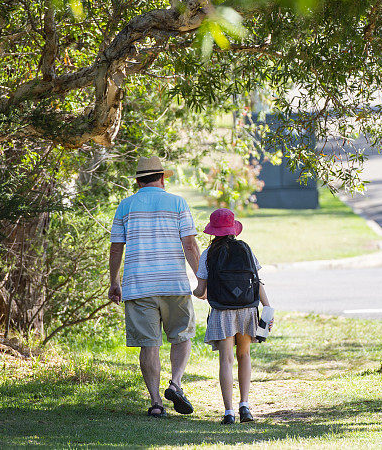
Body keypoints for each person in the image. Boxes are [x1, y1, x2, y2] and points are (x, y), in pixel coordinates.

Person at [108, 156, 201, 418]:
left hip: (138, 286)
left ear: (138, 181)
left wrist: (114, 281)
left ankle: (156, 403)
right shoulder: (177, 203)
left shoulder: (125, 207)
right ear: (162, 177)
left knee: (149, 345)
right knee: (182, 336)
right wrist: (200, 280)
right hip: (174, 283)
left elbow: (116, 247)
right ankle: (176, 383)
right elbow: (190, 245)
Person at [192, 208, 273, 425]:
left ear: (213, 232)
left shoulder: (209, 254)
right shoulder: (245, 249)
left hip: (222, 312)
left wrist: (195, 293)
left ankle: (228, 412)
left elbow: (201, 290)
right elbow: (257, 282)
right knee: (244, 356)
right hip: (247, 309)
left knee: (226, 361)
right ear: (233, 230)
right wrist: (268, 308)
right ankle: (244, 406)